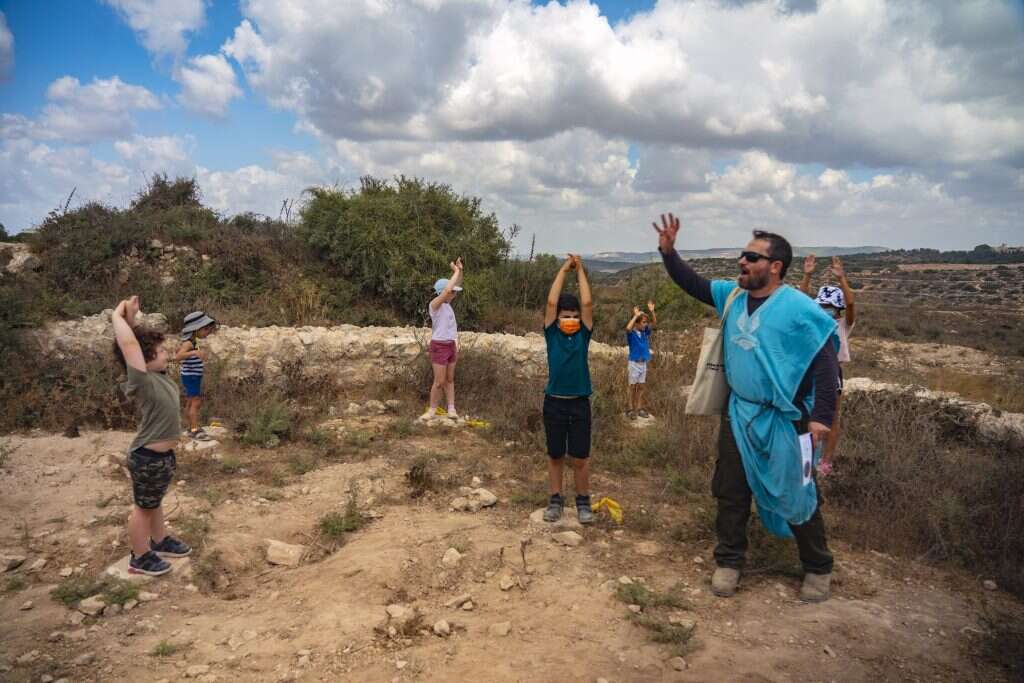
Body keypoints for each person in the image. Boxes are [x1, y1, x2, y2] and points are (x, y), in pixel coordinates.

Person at [654, 214, 840, 602]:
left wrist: (822, 415)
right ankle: (729, 562)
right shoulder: (733, 296)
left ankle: (818, 567)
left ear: (775, 267)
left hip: (786, 418)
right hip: (739, 412)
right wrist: (669, 253)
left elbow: (825, 359)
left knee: (798, 489)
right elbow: (694, 284)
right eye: (742, 255)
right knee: (731, 490)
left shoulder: (797, 307)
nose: (742, 262)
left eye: (751, 258)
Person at [112, 296, 192, 577]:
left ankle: (160, 541)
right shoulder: (142, 379)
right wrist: (118, 318)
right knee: (143, 508)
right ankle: (140, 555)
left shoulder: (158, 375)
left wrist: (133, 320)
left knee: (154, 502)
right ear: (144, 359)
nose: (165, 353)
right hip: (146, 458)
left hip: (162, 458)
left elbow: (138, 343)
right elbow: (130, 347)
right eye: (159, 350)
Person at [542, 254, 596, 525]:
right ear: (558, 318)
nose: (571, 319)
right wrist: (564, 269)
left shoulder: (583, 335)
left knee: (581, 457)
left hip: (579, 403)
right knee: (555, 455)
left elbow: (587, 302)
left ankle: (583, 502)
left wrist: (581, 271)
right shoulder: (552, 333)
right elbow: (552, 301)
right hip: (554, 402)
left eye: (575, 316)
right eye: (566, 316)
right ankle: (555, 500)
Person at [800, 255, 856, 472]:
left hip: (832, 372)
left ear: (837, 309)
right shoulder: (812, 322)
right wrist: (807, 275)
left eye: (829, 305)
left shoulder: (843, 324)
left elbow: (851, 302)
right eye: (822, 304)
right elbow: (800, 300)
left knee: (831, 416)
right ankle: (806, 458)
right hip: (808, 369)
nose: (825, 308)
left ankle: (825, 463)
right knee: (805, 413)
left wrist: (842, 279)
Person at [423, 258, 464, 420]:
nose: (454, 294)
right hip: (439, 346)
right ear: (442, 292)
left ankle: (451, 409)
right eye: (453, 291)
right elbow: (448, 290)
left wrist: (460, 271)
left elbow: (452, 287)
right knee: (439, 381)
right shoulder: (435, 305)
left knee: (449, 379)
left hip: (450, 346)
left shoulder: (447, 306)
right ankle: (432, 410)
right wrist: (454, 272)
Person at [175, 311, 217, 440]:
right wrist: (194, 353)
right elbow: (178, 356)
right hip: (191, 377)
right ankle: (194, 429)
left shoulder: (194, 341)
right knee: (196, 402)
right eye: (205, 329)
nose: (208, 332)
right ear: (195, 329)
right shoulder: (189, 343)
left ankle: (190, 427)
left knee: (190, 402)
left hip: (193, 376)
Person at [625, 301, 657, 418]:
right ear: (637, 323)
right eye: (643, 322)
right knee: (632, 387)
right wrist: (635, 316)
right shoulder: (632, 334)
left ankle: (638, 409)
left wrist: (652, 311)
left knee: (641, 387)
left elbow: (654, 323)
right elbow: (628, 328)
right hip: (634, 363)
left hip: (643, 363)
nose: (645, 325)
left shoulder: (644, 333)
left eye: (645, 323)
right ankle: (630, 409)